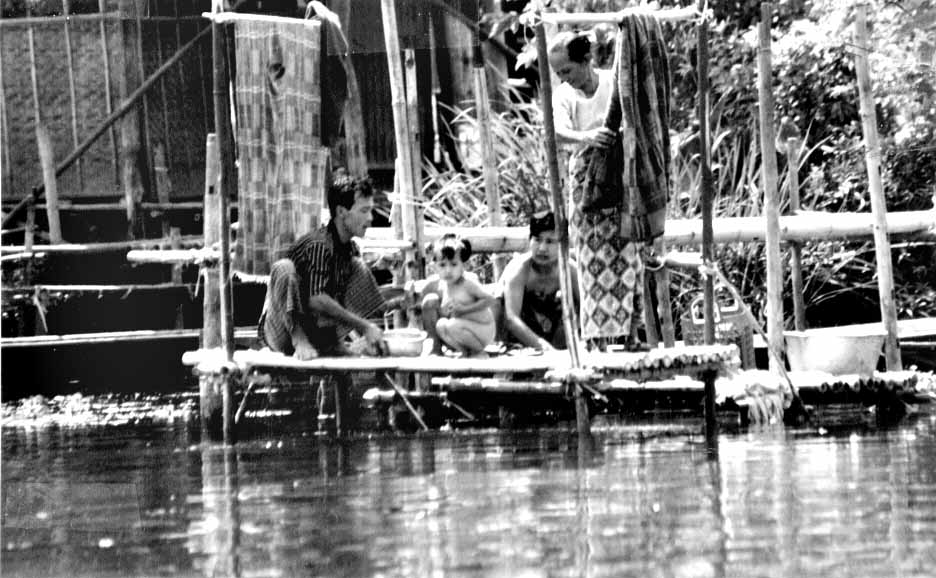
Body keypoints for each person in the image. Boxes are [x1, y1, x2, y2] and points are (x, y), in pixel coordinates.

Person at [547, 30, 648, 350]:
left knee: (629, 256)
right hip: (586, 183)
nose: (563, 77)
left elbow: (639, 116)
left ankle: (631, 336)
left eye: (567, 70)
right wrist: (588, 138)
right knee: (590, 262)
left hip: (620, 175)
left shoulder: (613, 83)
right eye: (558, 72)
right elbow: (556, 132)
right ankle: (596, 342)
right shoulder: (563, 95)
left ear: (586, 60)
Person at [258, 174, 387, 359]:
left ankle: (332, 342)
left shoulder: (349, 248)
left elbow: (356, 299)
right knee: (284, 268)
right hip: (282, 332)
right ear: (341, 211)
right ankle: (299, 339)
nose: (370, 218)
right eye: (364, 211)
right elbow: (316, 299)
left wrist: (399, 302)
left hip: (316, 333)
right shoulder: (319, 245)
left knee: (358, 267)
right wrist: (364, 326)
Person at [499, 211, 579, 351]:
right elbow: (511, 319)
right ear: (530, 240)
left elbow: (586, 309)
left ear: (563, 245)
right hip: (517, 339)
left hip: (555, 337)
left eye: (550, 241)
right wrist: (543, 347)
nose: (542, 248)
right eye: (537, 239)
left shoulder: (569, 270)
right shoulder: (519, 270)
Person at [421, 234, 496, 358]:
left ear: (464, 266)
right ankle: (465, 352)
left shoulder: (468, 283)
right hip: (463, 327)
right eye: (442, 265)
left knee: (452, 325)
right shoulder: (445, 285)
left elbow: (490, 299)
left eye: (454, 264)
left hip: (482, 329)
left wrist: (465, 309)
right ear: (435, 267)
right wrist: (446, 311)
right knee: (441, 325)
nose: (448, 270)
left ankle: (478, 352)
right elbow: (449, 311)